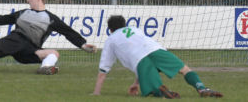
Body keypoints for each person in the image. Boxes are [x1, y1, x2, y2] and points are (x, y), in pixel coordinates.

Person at [92, 15, 222, 99]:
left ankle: (161, 91)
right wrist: (135, 83)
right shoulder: (135, 29)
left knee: (152, 89)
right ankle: (201, 88)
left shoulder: (111, 40)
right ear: (125, 25)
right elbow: (142, 47)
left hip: (140, 61)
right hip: (156, 50)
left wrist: (96, 93)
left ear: (110, 30)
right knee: (185, 69)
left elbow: (103, 71)